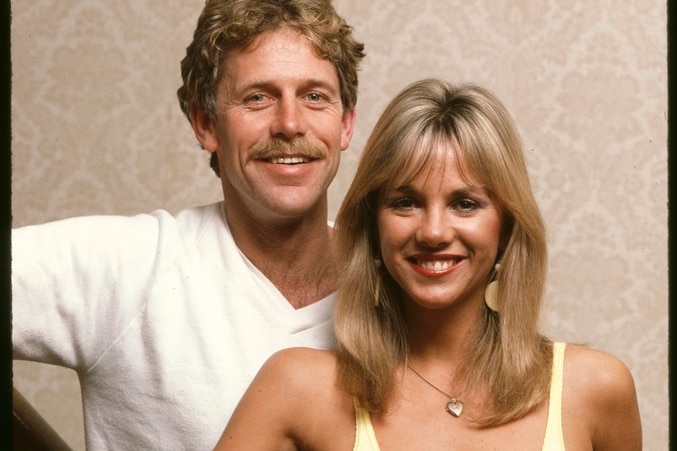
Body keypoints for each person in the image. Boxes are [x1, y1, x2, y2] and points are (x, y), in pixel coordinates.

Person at [214, 79, 642, 450]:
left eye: (465, 203)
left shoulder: (594, 389)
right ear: (372, 226)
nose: (433, 232)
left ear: (507, 227)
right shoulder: (297, 387)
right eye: (405, 203)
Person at [11, 0, 365, 449]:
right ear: (205, 123)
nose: (290, 124)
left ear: (346, 123)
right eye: (258, 97)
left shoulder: (396, 281)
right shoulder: (133, 267)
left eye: (315, 96)